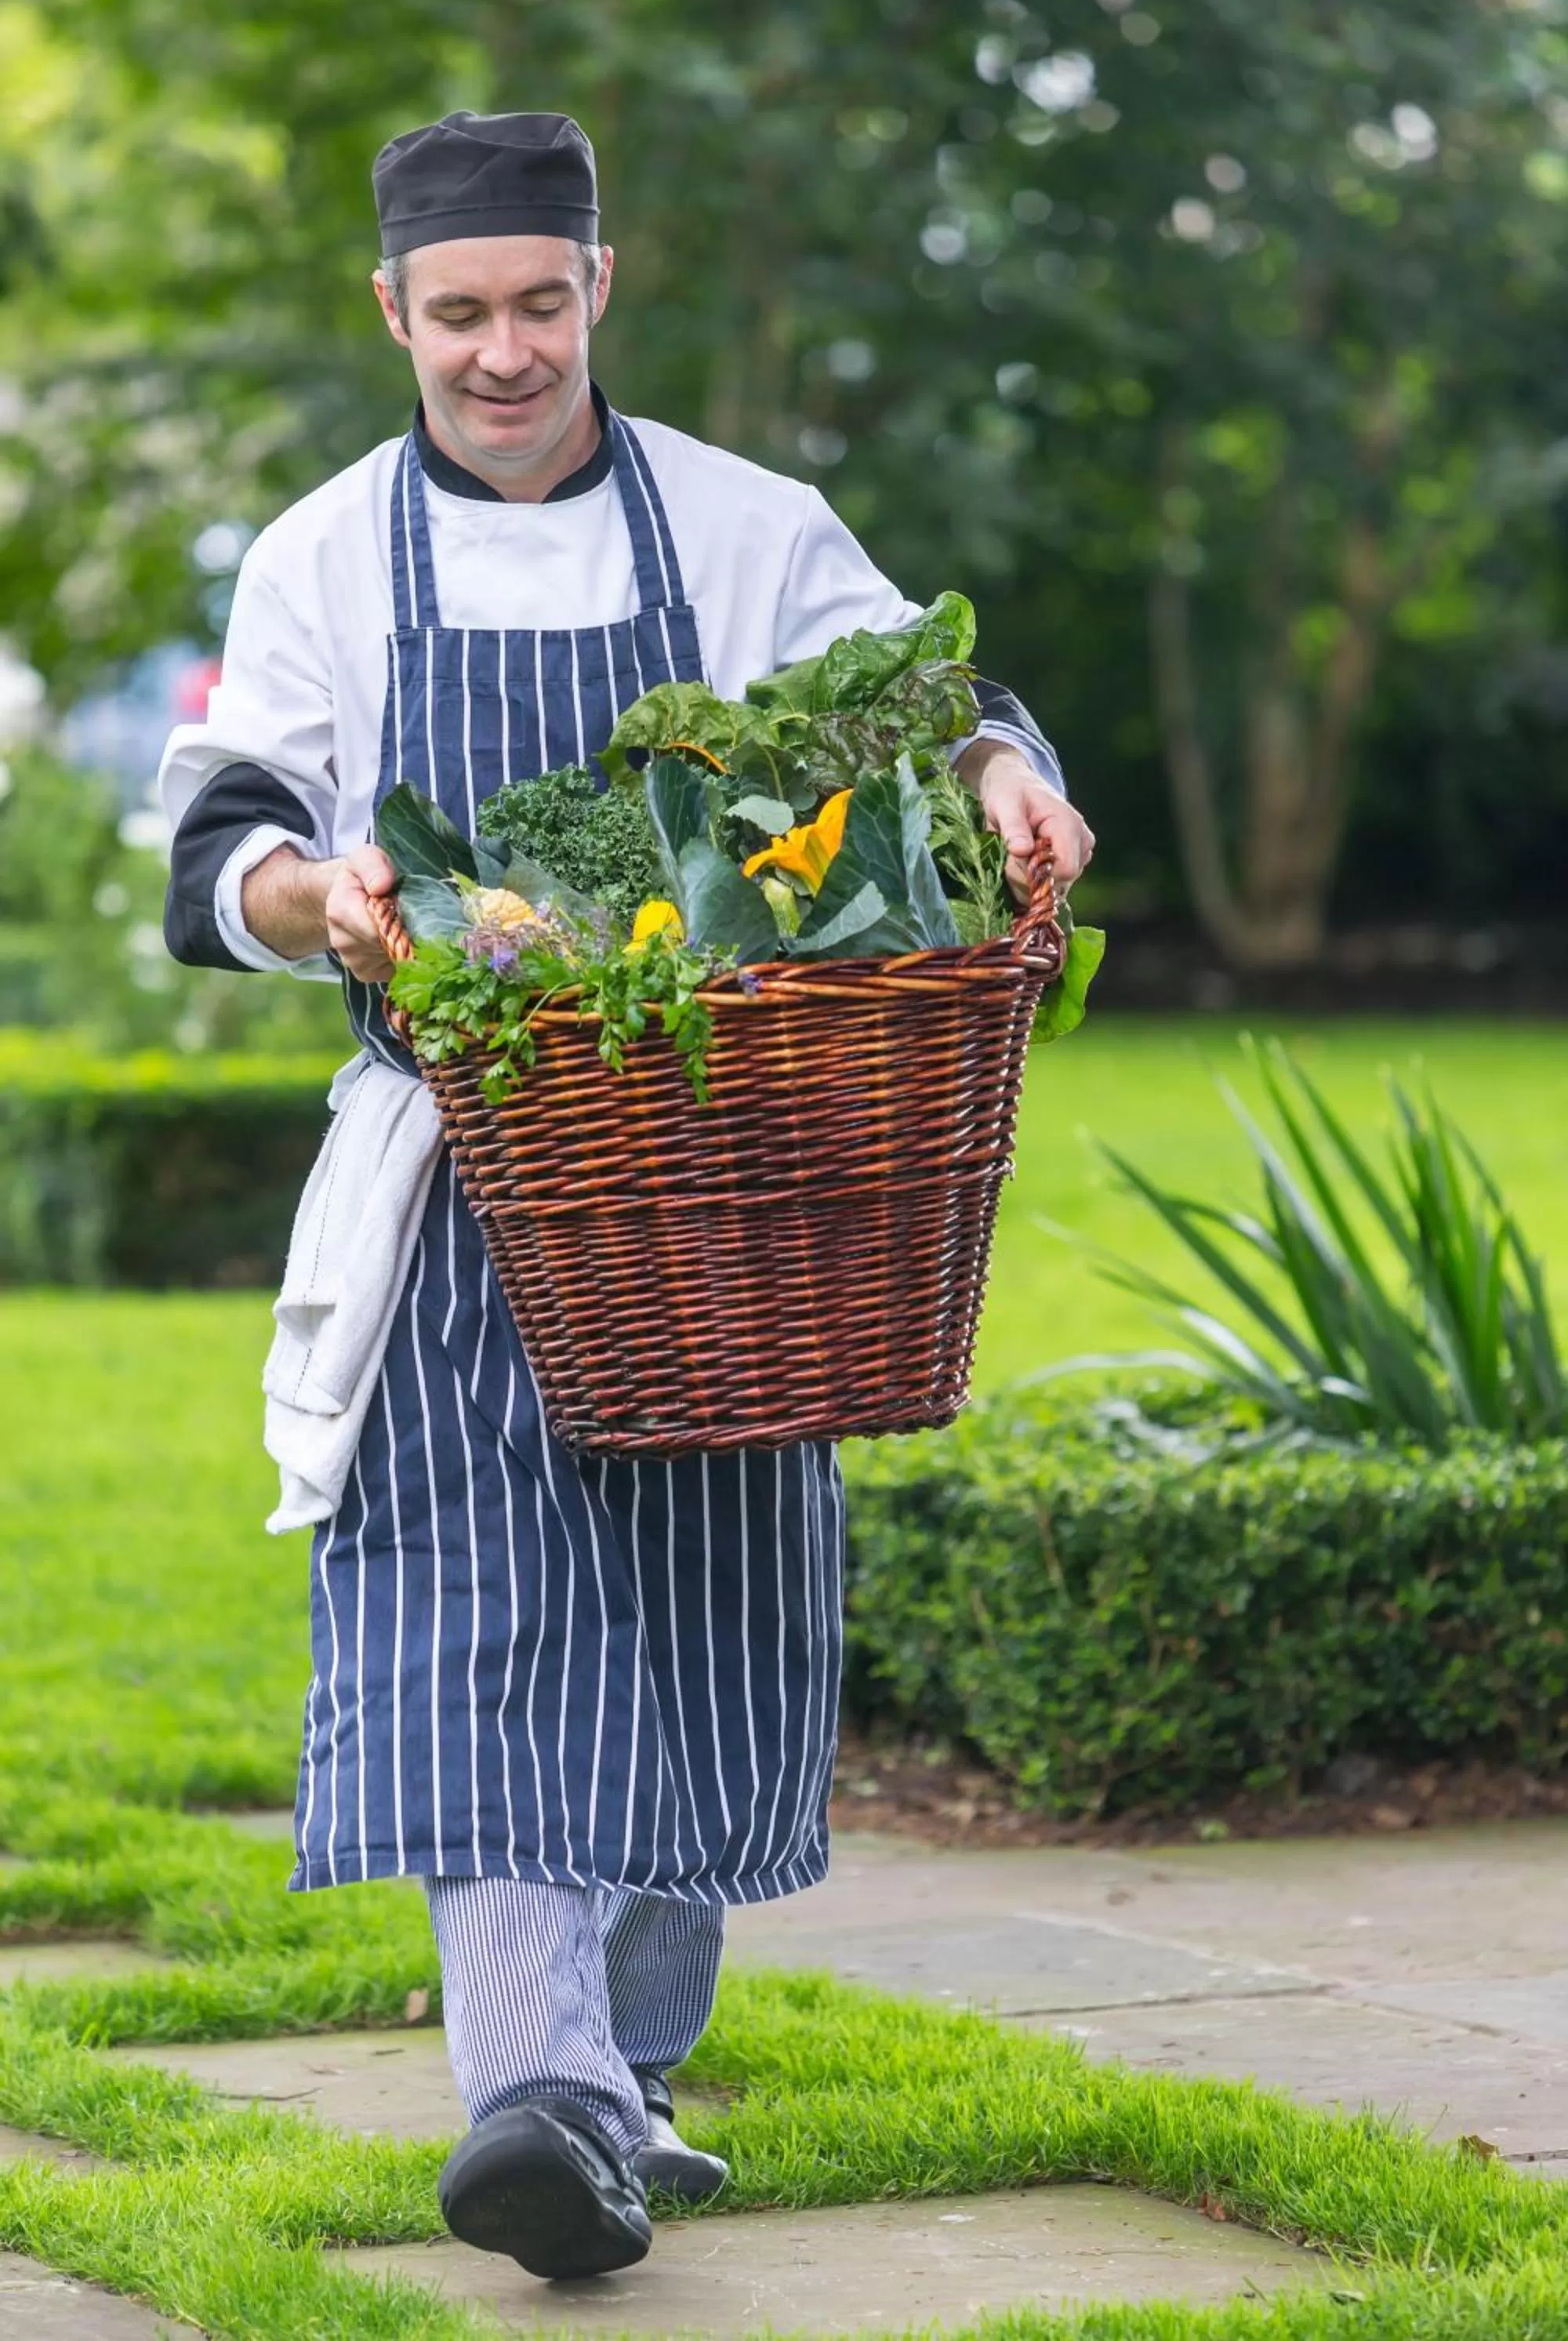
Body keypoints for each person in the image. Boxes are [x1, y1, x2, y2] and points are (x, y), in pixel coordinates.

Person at [160, 110, 1094, 2285]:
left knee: (696, 1623)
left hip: (730, 1187)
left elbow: (925, 702)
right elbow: (226, 843)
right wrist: (333, 899)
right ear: (395, 313)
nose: (505, 352)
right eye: (460, 313)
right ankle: (542, 2095)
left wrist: (1004, 774)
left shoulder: (753, 528)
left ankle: (626, 2073)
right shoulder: (322, 554)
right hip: (477, 1170)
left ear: (603, 284)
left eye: (540, 303)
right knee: (474, 1613)